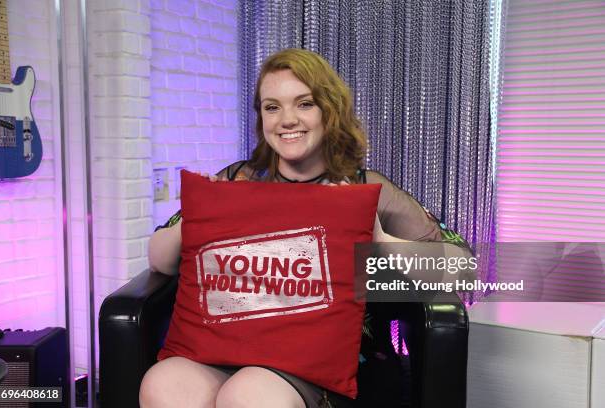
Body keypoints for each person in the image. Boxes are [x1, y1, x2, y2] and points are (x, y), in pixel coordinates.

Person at [140, 48, 472, 408]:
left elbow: (460, 270)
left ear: (329, 111)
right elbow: (159, 259)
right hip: (227, 351)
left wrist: (379, 240)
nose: (287, 119)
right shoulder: (236, 180)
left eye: (304, 104)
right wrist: (195, 219)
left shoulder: (363, 188)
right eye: (272, 107)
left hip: (326, 366)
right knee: (164, 383)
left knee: (249, 394)